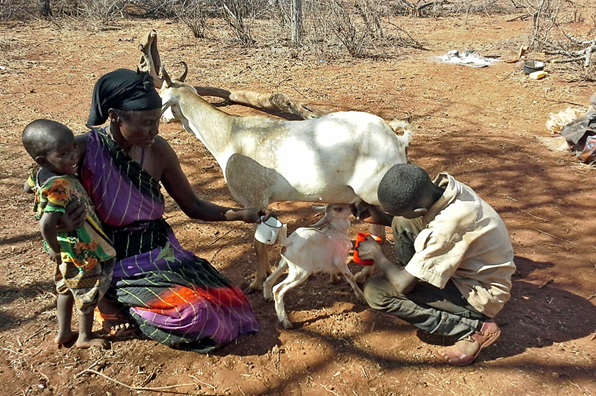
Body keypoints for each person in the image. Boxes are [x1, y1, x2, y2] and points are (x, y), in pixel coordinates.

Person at [59, 68, 268, 352]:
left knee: (230, 301)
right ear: (114, 116)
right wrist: (61, 222)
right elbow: (43, 183)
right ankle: (110, 301)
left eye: (157, 121)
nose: (154, 131)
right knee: (194, 315)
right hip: (115, 261)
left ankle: (132, 299)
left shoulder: (157, 150)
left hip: (160, 250)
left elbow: (192, 205)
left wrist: (241, 214)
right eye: (145, 123)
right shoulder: (83, 151)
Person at [354, 163, 515, 366]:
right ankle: (417, 272)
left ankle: (473, 328)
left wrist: (377, 255)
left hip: (481, 293)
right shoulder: (446, 190)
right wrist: (381, 216)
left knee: (376, 291)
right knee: (403, 222)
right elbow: (408, 217)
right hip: (474, 272)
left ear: (419, 209)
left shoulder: (446, 229)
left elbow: (403, 285)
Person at [22, 119, 116, 349]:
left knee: (64, 288)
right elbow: (46, 223)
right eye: (63, 153)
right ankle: (84, 336)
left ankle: (63, 332)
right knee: (87, 293)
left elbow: (27, 187)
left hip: (63, 248)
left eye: (74, 147)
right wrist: (54, 248)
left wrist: (55, 247)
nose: (74, 155)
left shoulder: (39, 173)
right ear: (43, 160)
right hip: (79, 249)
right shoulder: (60, 186)